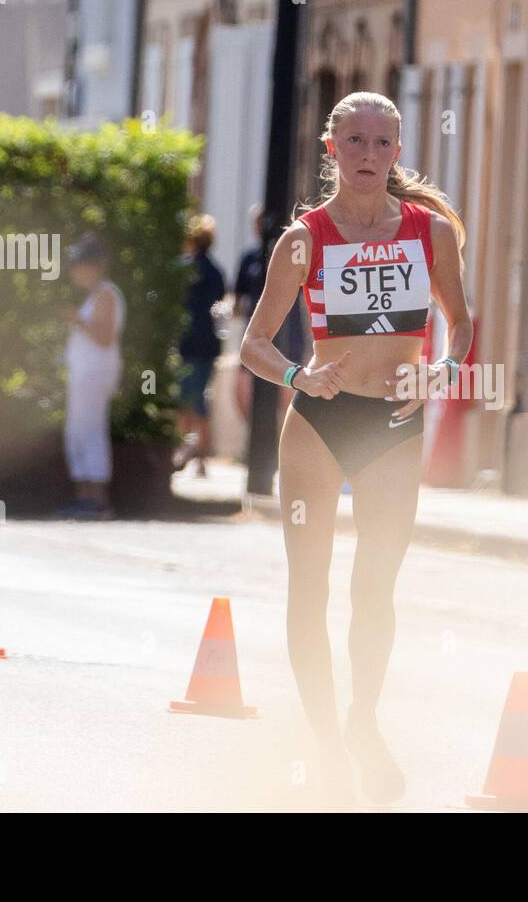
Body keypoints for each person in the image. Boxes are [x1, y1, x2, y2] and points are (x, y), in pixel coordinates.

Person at [240, 90, 472, 806]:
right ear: (332, 149)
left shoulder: (430, 234)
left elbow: (460, 326)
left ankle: (362, 721)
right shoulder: (303, 240)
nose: (368, 155)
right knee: (308, 590)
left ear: (397, 153)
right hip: (320, 420)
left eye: (382, 144)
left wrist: (441, 371)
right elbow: (252, 344)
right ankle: (326, 743)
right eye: (356, 142)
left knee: (375, 589)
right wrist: (297, 374)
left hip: (393, 424)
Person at [57, 234, 126, 520]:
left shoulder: (107, 293)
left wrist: (77, 320)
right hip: (84, 373)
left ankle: (97, 499)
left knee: (90, 431)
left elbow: (105, 337)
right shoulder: (96, 294)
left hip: (95, 374)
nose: (74, 271)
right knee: (78, 431)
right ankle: (84, 496)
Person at [233, 204, 307, 427]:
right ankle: (255, 433)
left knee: (287, 390)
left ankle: (276, 443)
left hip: (289, 330)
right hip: (257, 328)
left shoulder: (293, 252)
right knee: (243, 389)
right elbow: (238, 298)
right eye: (257, 223)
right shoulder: (249, 258)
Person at [174, 214, 228, 477]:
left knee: (185, 397)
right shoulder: (216, 272)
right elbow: (219, 308)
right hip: (209, 343)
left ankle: (184, 447)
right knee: (201, 398)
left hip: (187, 342)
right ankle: (201, 457)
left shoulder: (183, 269)